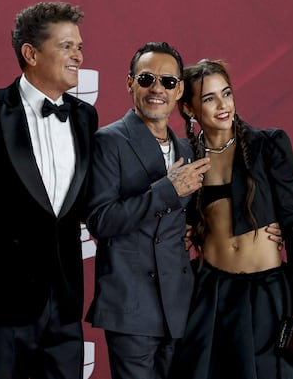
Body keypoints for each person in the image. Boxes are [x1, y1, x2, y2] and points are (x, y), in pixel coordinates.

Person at [0, 1, 98, 379]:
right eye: (67, 46)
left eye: (79, 47)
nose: (79, 56)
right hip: (4, 305)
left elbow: (85, 203)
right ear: (30, 53)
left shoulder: (85, 116)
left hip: (66, 304)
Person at [172, 59, 293, 379]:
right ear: (188, 109)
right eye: (209, 98)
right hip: (211, 292)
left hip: (267, 291)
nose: (223, 105)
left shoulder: (268, 144)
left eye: (226, 93)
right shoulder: (184, 157)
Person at [84, 42, 210, 379]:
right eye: (146, 79)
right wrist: (167, 190)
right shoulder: (108, 141)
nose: (157, 89)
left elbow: (193, 218)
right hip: (131, 305)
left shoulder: (186, 147)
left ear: (179, 89)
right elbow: (101, 220)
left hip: (180, 306)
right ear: (129, 84)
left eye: (168, 82)